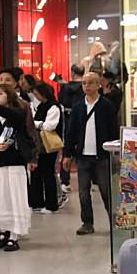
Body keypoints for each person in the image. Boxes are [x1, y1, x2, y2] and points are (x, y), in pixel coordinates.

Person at [62, 72, 119, 235]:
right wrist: (67, 154)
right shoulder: (78, 107)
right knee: (83, 192)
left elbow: (113, 130)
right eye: (84, 83)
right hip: (83, 157)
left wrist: (114, 151)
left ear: (98, 85)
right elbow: (71, 132)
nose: (86, 86)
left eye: (90, 83)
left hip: (102, 156)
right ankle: (87, 222)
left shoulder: (106, 106)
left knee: (106, 191)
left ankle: (115, 223)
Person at [0, 84, 32, 251]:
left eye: (1, 93)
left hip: (14, 164)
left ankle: (14, 235)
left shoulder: (16, 115)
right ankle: (3, 230)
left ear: (10, 97)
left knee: (13, 199)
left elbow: (11, 116)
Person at [29, 82, 63, 214]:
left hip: (48, 145)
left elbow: (50, 126)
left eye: (37, 93)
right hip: (39, 144)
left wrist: (35, 123)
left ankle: (51, 204)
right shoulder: (41, 106)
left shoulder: (54, 107)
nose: (36, 96)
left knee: (48, 173)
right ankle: (37, 202)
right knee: (37, 172)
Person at [58, 64, 86, 193]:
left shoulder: (65, 87)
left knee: (67, 148)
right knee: (83, 148)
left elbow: (62, 101)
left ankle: (65, 180)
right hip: (83, 119)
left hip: (69, 119)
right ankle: (87, 178)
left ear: (72, 72)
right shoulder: (85, 87)